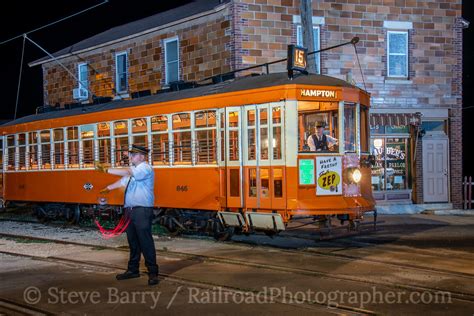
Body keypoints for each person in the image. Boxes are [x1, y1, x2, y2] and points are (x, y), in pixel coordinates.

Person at [95, 144, 159, 286]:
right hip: (130, 210)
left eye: (133, 155)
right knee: (133, 242)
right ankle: (133, 270)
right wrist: (108, 188)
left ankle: (153, 272)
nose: (130, 157)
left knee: (145, 241)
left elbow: (127, 173)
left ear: (142, 156)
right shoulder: (135, 171)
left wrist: (106, 169)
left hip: (142, 210)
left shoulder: (145, 168)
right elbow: (123, 181)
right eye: (130, 154)